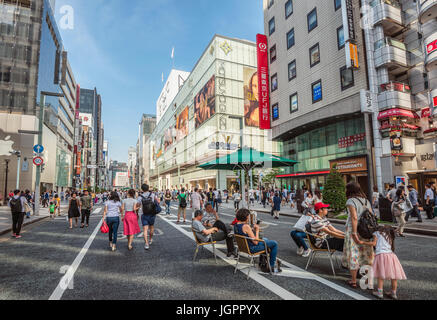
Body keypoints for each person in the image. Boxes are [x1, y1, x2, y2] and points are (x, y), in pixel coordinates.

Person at [342, 182, 375, 289]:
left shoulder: (351, 201)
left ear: (349, 190)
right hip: (366, 231)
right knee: (367, 254)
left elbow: (354, 218)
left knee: (354, 253)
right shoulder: (366, 201)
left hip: (354, 230)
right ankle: (368, 281)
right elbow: (371, 216)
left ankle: (353, 281)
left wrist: (354, 232)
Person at [360, 225, 406, 300]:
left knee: (380, 275)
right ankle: (393, 293)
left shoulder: (377, 233)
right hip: (391, 256)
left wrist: (363, 242)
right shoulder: (390, 235)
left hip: (381, 256)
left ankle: (379, 293)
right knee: (394, 276)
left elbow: (374, 243)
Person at [234, 208, 281, 273]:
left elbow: (245, 234)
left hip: (243, 247)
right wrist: (257, 230)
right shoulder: (246, 226)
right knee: (274, 243)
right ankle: (271, 266)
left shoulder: (236, 225)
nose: (249, 217)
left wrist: (251, 230)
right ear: (246, 217)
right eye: (248, 216)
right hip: (252, 248)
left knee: (265, 239)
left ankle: (263, 262)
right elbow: (255, 242)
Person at [138, 184, 160, 250]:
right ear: (148, 188)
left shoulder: (140, 197)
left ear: (142, 189)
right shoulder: (152, 195)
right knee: (152, 227)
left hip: (144, 214)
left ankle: (146, 244)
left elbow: (138, 205)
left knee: (145, 229)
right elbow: (158, 201)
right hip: (152, 214)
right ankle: (150, 239)